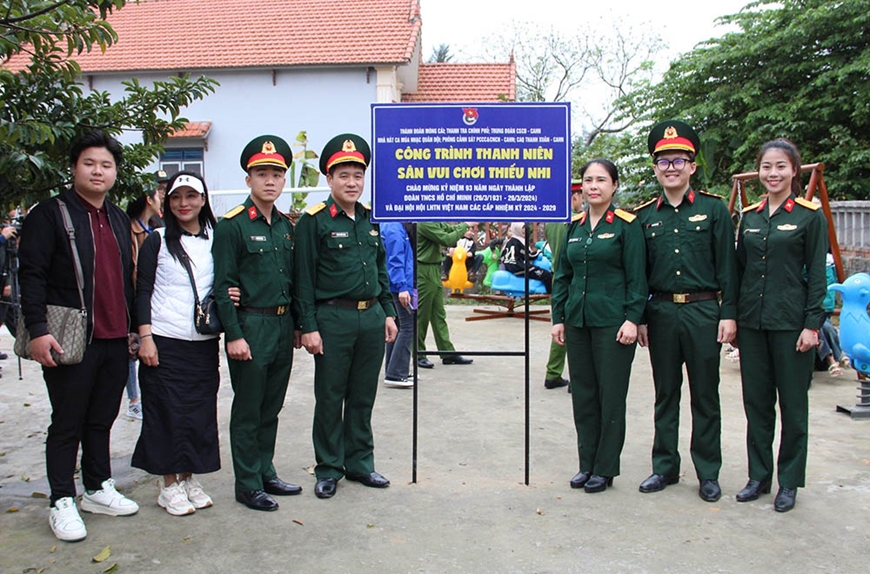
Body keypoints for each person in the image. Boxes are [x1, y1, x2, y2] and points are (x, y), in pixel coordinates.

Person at [19, 130, 139, 542]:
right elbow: (30, 276)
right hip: (70, 338)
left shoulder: (118, 217)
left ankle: (97, 487)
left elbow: (127, 279)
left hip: (113, 337)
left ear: (115, 172)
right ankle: (60, 499)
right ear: (74, 168)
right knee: (67, 421)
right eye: (90, 163)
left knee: (102, 419)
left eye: (106, 165)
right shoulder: (50, 214)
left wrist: (133, 331)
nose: (98, 171)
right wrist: (37, 331)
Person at [635, 120, 738, 503]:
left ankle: (708, 472)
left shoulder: (713, 211)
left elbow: (728, 266)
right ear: (656, 168)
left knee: (705, 395)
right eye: (664, 161)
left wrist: (728, 314)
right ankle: (665, 467)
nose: (671, 167)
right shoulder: (645, 217)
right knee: (665, 394)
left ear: (692, 166)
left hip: (703, 312)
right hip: (661, 314)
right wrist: (642, 316)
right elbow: (639, 275)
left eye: (679, 160)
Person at [294, 133, 398, 499]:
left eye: (358, 174)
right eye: (344, 175)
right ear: (329, 178)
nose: (352, 182)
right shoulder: (314, 221)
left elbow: (380, 269)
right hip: (332, 320)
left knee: (362, 396)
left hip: (370, 318)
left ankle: (360, 464)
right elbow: (303, 279)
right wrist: (308, 327)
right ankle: (328, 468)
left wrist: (387, 312)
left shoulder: (371, 220)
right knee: (330, 396)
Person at [735, 138, 827, 512]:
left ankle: (788, 481)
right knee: (757, 404)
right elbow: (740, 272)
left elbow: (818, 276)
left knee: (792, 406)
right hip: (753, 325)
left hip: (791, 326)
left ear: (794, 171)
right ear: (758, 172)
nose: (773, 174)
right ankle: (759, 476)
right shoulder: (751, 216)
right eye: (766, 167)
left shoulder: (808, 216)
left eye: (780, 167)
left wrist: (812, 324)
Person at [213, 135, 302, 512]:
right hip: (250, 327)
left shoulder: (285, 226)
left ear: (284, 181)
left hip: (282, 328)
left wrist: (297, 325)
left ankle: (265, 470)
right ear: (248, 179)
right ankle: (247, 483)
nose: (270, 181)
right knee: (249, 408)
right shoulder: (232, 226)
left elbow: (294, 281)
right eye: (261, 173)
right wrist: (233, 334)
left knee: (272, 406)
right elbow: (222, 286)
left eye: (276, 174)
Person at [551, 159, 647, 493]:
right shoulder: (574, 227)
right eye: (588, 180)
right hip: (578, 321)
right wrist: (558, 318)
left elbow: (638, 278)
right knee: (584, 396)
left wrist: (633, 319)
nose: (593, 186)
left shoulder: (626, 226)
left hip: (613, 324)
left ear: (614, 186)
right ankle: (586, 463)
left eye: (601, 180)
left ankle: (605, 469)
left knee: (611, 396)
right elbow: (563, 275)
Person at [131, 172, 221, 516]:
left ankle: (188, 478)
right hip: (164, 340)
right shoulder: (156, 239)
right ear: (168, 203)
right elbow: (143, 290)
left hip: (202, 342)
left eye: (191, 196)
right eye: (176, 198)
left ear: (203, 200)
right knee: (166, 412)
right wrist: (146, 337)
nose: (184, 204)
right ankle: (168, 484)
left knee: (198, 413)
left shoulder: (215, 238)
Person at [123, 183, 164, 420]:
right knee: (132, 348)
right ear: (149, 200)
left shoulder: (156, 228)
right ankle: (134, 400)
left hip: (156, 302)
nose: (161, 199)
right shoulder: (130, 229)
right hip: (136, 299)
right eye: (158, 196)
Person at [416, 222, 476, 369]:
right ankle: (418, 353)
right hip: (424, 268)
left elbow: (448, 229)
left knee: (438, 314)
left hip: (434, 268)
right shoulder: (424, 222)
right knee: (422, 315)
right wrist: (466, 225)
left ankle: (447, 352)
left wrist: (462, 227)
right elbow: (447, 239)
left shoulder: (435, 220)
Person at [543, 180, 583, 390]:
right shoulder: (576, 220)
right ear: (575, 196)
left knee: (560, 325)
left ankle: (553, 372)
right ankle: (577, 378)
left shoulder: (551, 220)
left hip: (556, 276)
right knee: (576, 329)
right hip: (574, 278)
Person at [381, 221, 416, 388]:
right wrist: (402, 286)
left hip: (394, 284)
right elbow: (395, 259)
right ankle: (396, 373)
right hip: (398, 286)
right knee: (408, 327)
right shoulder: (394, 228)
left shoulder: (389, 225)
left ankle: (393, 369)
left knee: (397, 327)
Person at [816, 253, 849, 376]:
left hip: (822, 305)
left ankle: (834, 358)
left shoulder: (828, 261)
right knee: (821, 327)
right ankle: (834, 358)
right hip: (817, 306)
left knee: (825, 327)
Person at [500, 222, 553, 292]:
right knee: (547, 275)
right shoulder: (519, 242)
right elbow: (529, 256)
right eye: (523, 228)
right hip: (519, 267)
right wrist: (538, 252)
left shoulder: (509, 242)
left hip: (509, 266)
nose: (525, 230)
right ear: (517, 228)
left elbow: (502, 255)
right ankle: (550, 294)